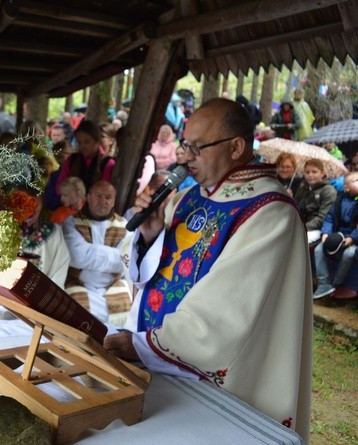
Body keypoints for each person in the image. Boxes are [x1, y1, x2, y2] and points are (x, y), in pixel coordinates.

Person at [103, 98, 312, 441]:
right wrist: (151, 234)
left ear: (236, 147)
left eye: (197, 147)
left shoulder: (270, 212)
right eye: (185, 145)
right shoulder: (187, 197)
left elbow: (225, 314)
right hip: (155, 357)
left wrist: (144, 346)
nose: (185, 156)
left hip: (214, 376)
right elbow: (152, 273)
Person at [62, 181, 133, 326]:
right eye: (98, 196)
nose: (103, 201)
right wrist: (115, 256)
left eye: (108, 197)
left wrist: (88, 252)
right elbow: (76, 256)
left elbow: (126, 261)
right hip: (79, 286)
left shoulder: (124, 225)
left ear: (113, 202)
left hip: (113, 287)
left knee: (125, 323)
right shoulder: (71, 221)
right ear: (88, 197)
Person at [312, 171, 358, 299]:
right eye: (355, 181)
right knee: (318, 249)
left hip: (353, 239)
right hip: (338, 235)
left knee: (349, 254)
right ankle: (323, 283)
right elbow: (330, 218)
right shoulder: (340, 199)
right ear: (346, 187)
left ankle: (336, 283)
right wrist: (325, 233)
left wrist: (352, 238)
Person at [21, 195, 70, 288]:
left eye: (35, 202)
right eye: (22, 200)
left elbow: (59, 272)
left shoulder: (54, 232)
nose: (30, 208)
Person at [55, 119, 116, 195]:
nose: (82, 146)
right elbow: (59, 187)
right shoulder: (72, 159)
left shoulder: (107, 163)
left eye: (87, 142)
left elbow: (104, 192)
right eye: (79, 142)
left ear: (97, 141)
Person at [294, 159, 337, 244]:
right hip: (300, 224)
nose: (310, 175)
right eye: (307, 172)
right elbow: (294, 208)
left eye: (314, 172)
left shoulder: (329, 191)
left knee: (298, 241)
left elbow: (322, 218)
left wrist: (303, 227)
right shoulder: (303, 189)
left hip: (317, 229)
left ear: (322, 173)